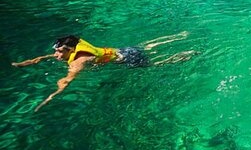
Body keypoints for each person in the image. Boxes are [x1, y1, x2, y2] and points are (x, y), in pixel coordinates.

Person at [12, 33, 197, 112]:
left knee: (154, 65)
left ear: (70, 50)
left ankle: (183, 56)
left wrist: (49, 98)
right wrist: (26, 63)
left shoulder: (78, 62)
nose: (57, 54)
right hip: (123, 50)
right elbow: (45, 57)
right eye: (57, 50)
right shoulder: (74, 47)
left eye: (60, 51)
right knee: (145, 46)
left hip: (127, 59)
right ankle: (179, 36)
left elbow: (66, 81)